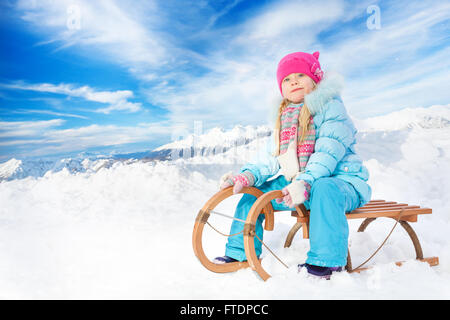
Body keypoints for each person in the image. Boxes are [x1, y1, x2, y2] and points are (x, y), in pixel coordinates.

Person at [214, 51, 372, 279]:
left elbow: (327, 153)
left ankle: (326, 262)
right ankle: (240, 252)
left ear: (315, 80)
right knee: (253, 195)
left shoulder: (332, 109)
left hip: (341, 184)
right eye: (287, 79)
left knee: (324, 188)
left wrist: (305, 181)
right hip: (299, 184)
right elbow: (270, 155)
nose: (294, 81)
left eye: (300, 75)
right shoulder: (285, 117)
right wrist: (247, 175)